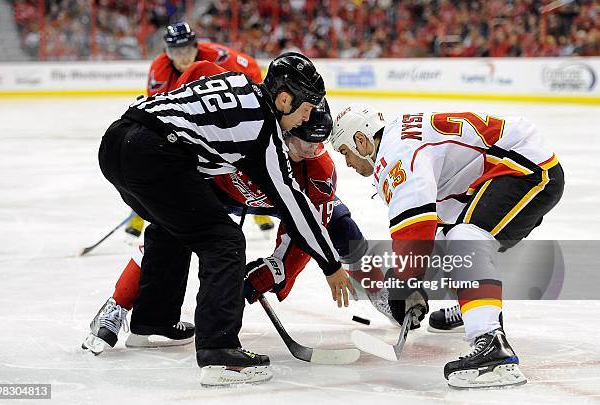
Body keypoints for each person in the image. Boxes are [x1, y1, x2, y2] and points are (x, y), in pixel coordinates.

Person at [92, 52, 354, 386]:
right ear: (285, 99)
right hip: (155, 152)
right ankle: (220, 352)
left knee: (173, 228)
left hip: (118, 140)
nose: (306, 120)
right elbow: (291, 203)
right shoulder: (266, 132)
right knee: (224, 240)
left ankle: (153, 321)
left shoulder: (239, 84)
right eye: (305, 111)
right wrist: (331, 265)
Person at [330, 103, 564, 389]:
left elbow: (414, 234)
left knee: (466, 239)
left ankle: (492, 346)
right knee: (447, 241)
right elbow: (429, 230)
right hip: (495, 172)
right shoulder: (395, 140)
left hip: (525, 167)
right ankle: (471, 308)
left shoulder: (396, 156)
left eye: (345, 152)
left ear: (361, 140)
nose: (348, 163)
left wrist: (401, 286)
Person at [125, 21, 273, 239]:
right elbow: (156, 112)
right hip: (188, 119)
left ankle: (256, 209)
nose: (183, 56)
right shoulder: (159, 70)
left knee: (240, 153)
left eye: (187, 49)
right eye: (176, 51)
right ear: (167, 51)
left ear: (196, 46)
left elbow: (250, 70)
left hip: (226, 111)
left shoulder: (218, 57)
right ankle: (140, 212)